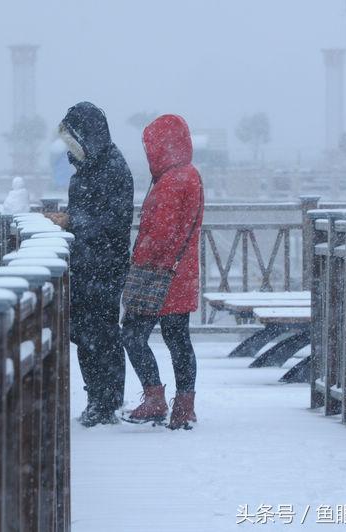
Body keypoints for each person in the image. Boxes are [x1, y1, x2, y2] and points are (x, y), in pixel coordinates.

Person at [47, 102, 134, 427]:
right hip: (86, 265)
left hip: (104, 266)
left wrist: (71, 221)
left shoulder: (111, 168)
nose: (71, 148)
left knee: (102, 335)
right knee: (86, 334)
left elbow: (112, 222)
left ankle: (106, 401)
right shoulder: (90, 167)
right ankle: (96, 398)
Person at [122, 114, 204, 430]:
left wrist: (138, 257)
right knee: (177, 339)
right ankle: (184, 406)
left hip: (159, 274)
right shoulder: (185, 175)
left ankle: (155, 398)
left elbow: (160, 233)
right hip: (180, 275)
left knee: (132, 334)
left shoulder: (173, 180)